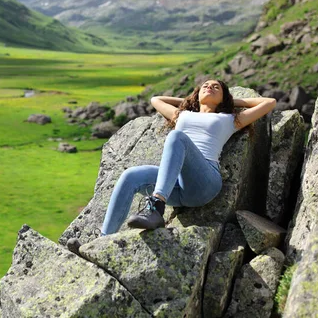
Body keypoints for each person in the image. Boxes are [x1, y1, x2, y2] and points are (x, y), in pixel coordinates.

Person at [67, 79, 275, 253]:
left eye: (216, 87)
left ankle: (156, 207)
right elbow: (155, 99)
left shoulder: (230, 119)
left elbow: (269, 102)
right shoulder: (181, 114)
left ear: (224, 98)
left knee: (177, 137)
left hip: (205, 182)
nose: (209, 87)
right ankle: (100, 243)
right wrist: (191, 100)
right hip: (176, 185)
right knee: (130, 176)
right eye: (205, 85)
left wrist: (232, 102)